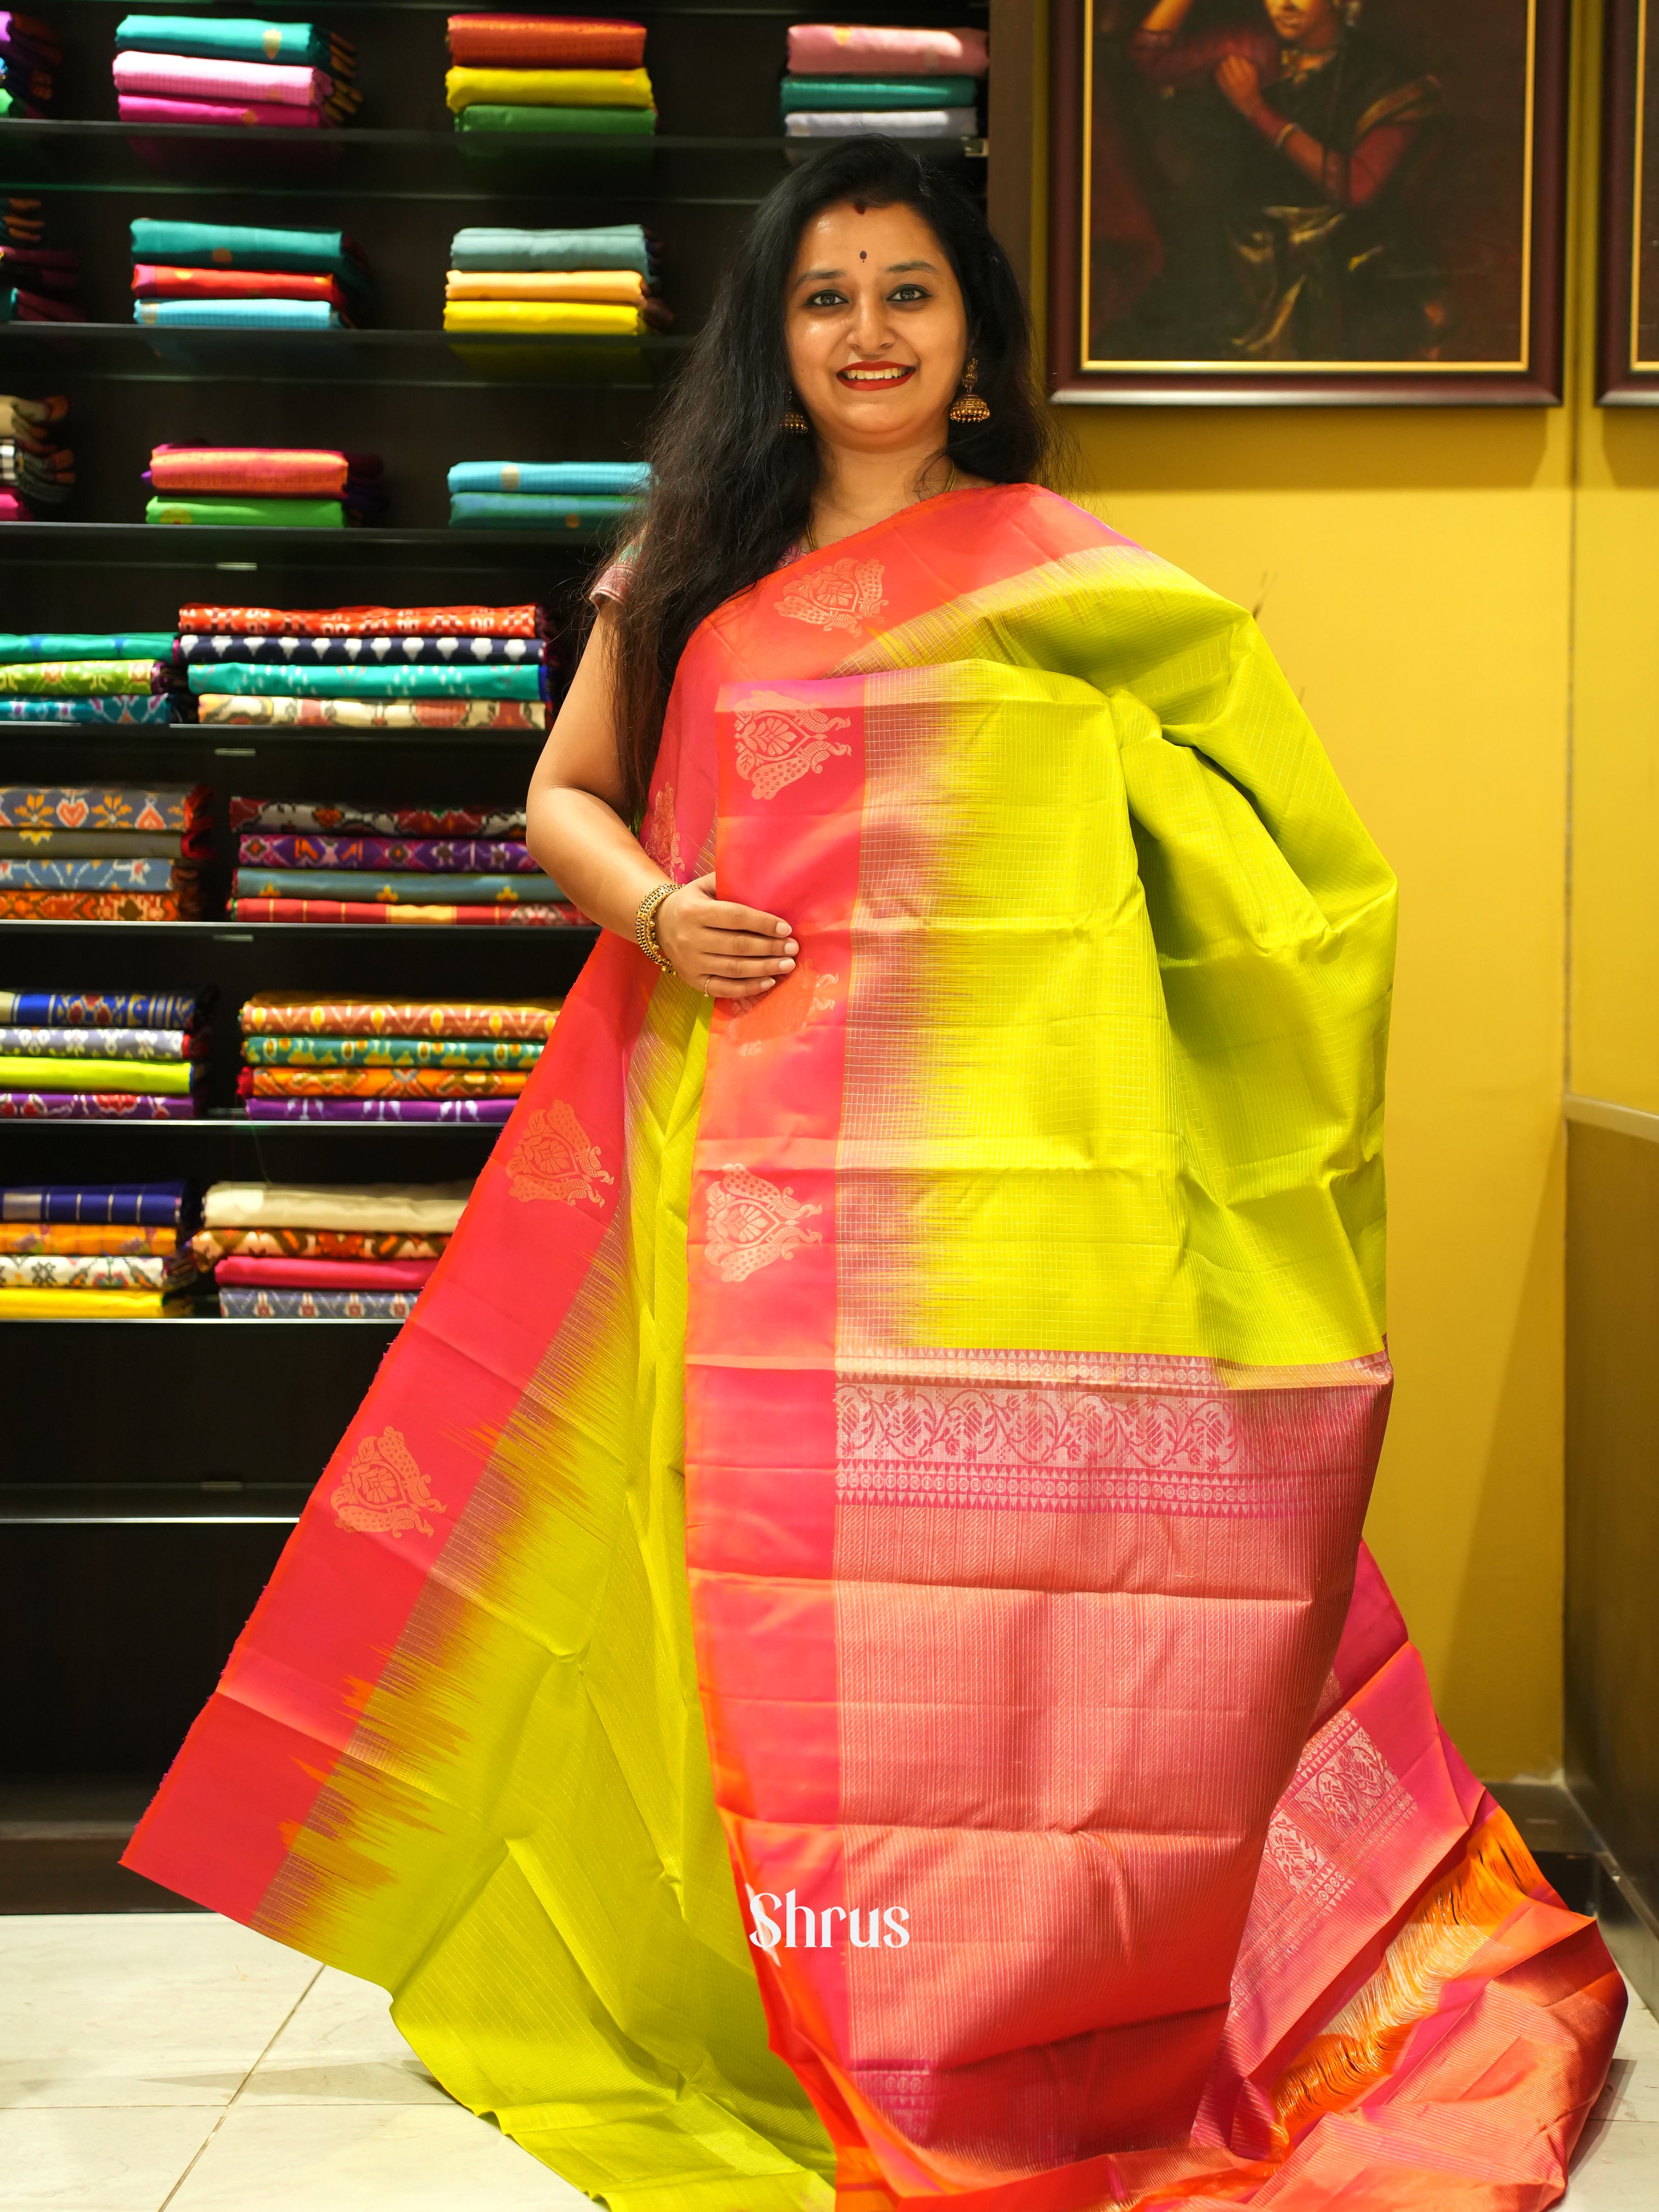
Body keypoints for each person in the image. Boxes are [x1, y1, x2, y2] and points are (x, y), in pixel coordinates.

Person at [127, 138, 1621, 2209]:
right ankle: (813, 1996)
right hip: (746, 1196)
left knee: (1028, 1635)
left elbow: (1284, 873)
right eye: (825, 295)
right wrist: (658, 911)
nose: (865, 331)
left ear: (974, 343)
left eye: (906, 292)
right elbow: (559, 800)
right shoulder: (689, 578)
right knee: (769, 1621)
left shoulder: (1067, 579)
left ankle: (1032, 1998)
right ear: (775, 335)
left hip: (1013, 1217)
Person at [1113, 0, 1448, 360]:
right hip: (1240, 257)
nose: (1284, 5)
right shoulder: (1251, 45)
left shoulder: (1387, 80)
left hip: (1336, 261)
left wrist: (1256, 109)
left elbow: (1356, 188)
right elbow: (1146, 59)